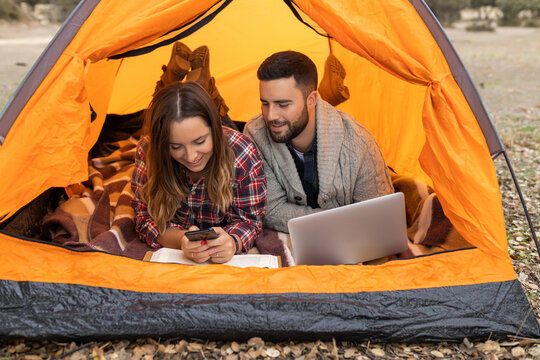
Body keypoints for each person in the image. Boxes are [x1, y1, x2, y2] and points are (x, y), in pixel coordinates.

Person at [244, 51, 393, 233]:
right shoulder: (255, 134)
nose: (270, 115)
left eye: (283, 105)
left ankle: (328, 93)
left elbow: (378, 219)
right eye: (265, 103)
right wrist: (336, 224)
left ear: (312, 100)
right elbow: (270, 210)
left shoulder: (358, 143)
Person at [131, 82, 266, 263]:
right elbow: (144, 219)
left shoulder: (242, 153)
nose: (191, 156)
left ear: (215, 130)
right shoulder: (149, 151)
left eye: (200, 141)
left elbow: (250, 222)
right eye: (176, 146)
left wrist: (232, 242)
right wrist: (182, 240)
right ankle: (168, 81)